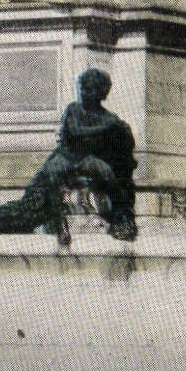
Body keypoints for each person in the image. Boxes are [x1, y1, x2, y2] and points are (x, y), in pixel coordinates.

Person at [34, 68, 138, 244]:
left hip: (88, 160)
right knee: (52, 172)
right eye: (82, 87)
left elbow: (126, 142)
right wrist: (107, 128)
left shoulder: (109, 117)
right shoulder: (74, 109)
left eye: (89, 89)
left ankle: (119, 219)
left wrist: (122, 131)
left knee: (108, 173)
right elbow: (75, 132)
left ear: (102, 93)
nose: (84, 92)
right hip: (67, 155)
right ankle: (59, 222)